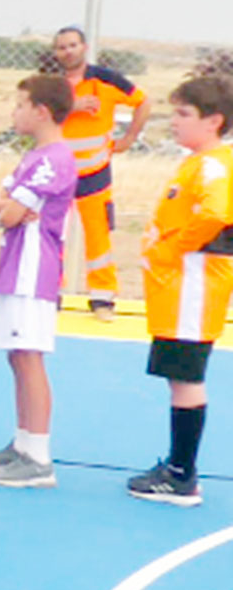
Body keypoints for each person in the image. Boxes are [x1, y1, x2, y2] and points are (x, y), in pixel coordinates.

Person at [126, 72, 233, 506]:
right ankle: (176, 465)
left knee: (187, 377)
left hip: (193, 289)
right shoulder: (196, 163)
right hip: (179, 290)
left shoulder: (212, 166)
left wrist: (172, 248)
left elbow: (214, 215)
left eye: (184, 114)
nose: (175, 122)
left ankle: (182, 474)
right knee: (178, 376)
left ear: (214, 121)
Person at [0, 75, 77, 489]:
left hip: (34, 271)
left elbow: (9, 212)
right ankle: (22, 443)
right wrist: (3, 206)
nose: (14, 113)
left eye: (20, 105)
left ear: (42, 111)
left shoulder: (54, 159)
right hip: (15, 266)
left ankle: (39, 456)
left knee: (29, 356)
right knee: (17, 355)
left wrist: (5, 207)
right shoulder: (33, 157)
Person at [51, 25, 148, 320]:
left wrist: (130, 137)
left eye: (72, 45)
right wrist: (71, 106)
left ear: (84, 47)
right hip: (60, 172)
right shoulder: (52, 87)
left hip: (95, 171)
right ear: (56, 53)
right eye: (61, 47)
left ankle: (102, 298)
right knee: (54, 234)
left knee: (99, 236)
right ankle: (51, 292)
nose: (68, 51)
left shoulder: (107, 81)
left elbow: (142, 102)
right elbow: (38, 114)